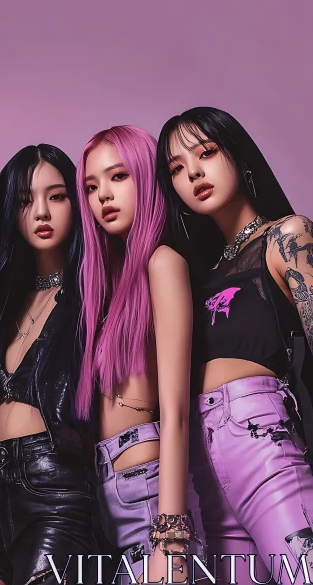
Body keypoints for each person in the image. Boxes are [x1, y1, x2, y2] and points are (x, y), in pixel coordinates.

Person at [157, 105, 313, 585]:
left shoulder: (286, 237)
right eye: (177, 169)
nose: (194, 173)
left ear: (240, 155)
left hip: (263, 442)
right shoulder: (195, 274)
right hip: (203, 469)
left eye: (205, 153)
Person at [0, 144, 93, 585]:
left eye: (57, 196)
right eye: (26, 200)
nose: (41, 212)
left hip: (57, 493)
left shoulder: (93, 296)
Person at [76, 125, 194, 582]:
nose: (103, 195)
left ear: (146, 178)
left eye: (118, 176)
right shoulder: (107, 284)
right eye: (91, 186)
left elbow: (177, 411)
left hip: (147, 493)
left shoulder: (162, 263)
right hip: (102, 493)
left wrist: (172, 537)